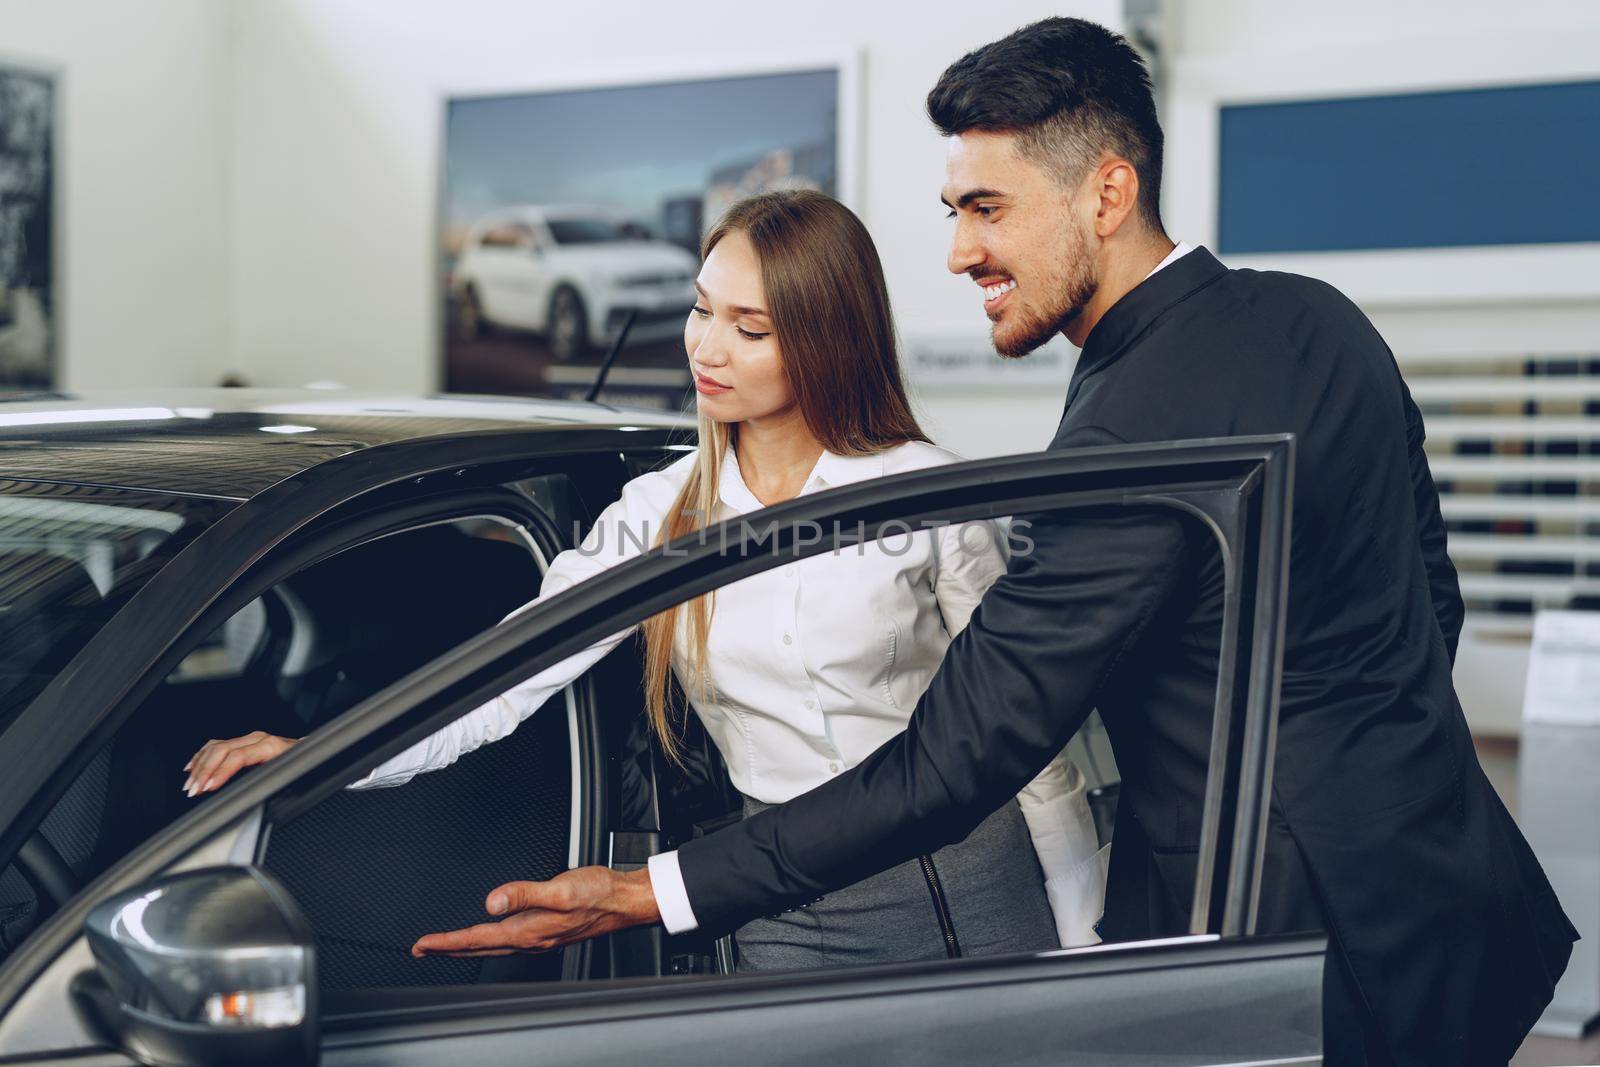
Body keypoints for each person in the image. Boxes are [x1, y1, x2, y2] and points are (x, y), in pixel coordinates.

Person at [412, 18, 1579, 1066]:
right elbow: (1428, 591)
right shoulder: (1316, 316)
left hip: (1288, 940)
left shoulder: (1123, 427)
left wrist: (654, 888)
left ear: (1105, 194)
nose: (962, 253)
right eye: (952, 211)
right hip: (1445, 880)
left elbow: (962, 756)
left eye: (987, 209)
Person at [182, 189, 1107, 969]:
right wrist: (324, 752)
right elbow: (503, 674)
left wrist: (1085, 940)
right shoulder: (660, 512)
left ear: (829, 340)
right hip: (774, 895)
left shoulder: (926, 494)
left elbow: (1029, 745)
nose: (705, 348)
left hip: (966, 892)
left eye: (749, 328)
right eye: (702, 310)